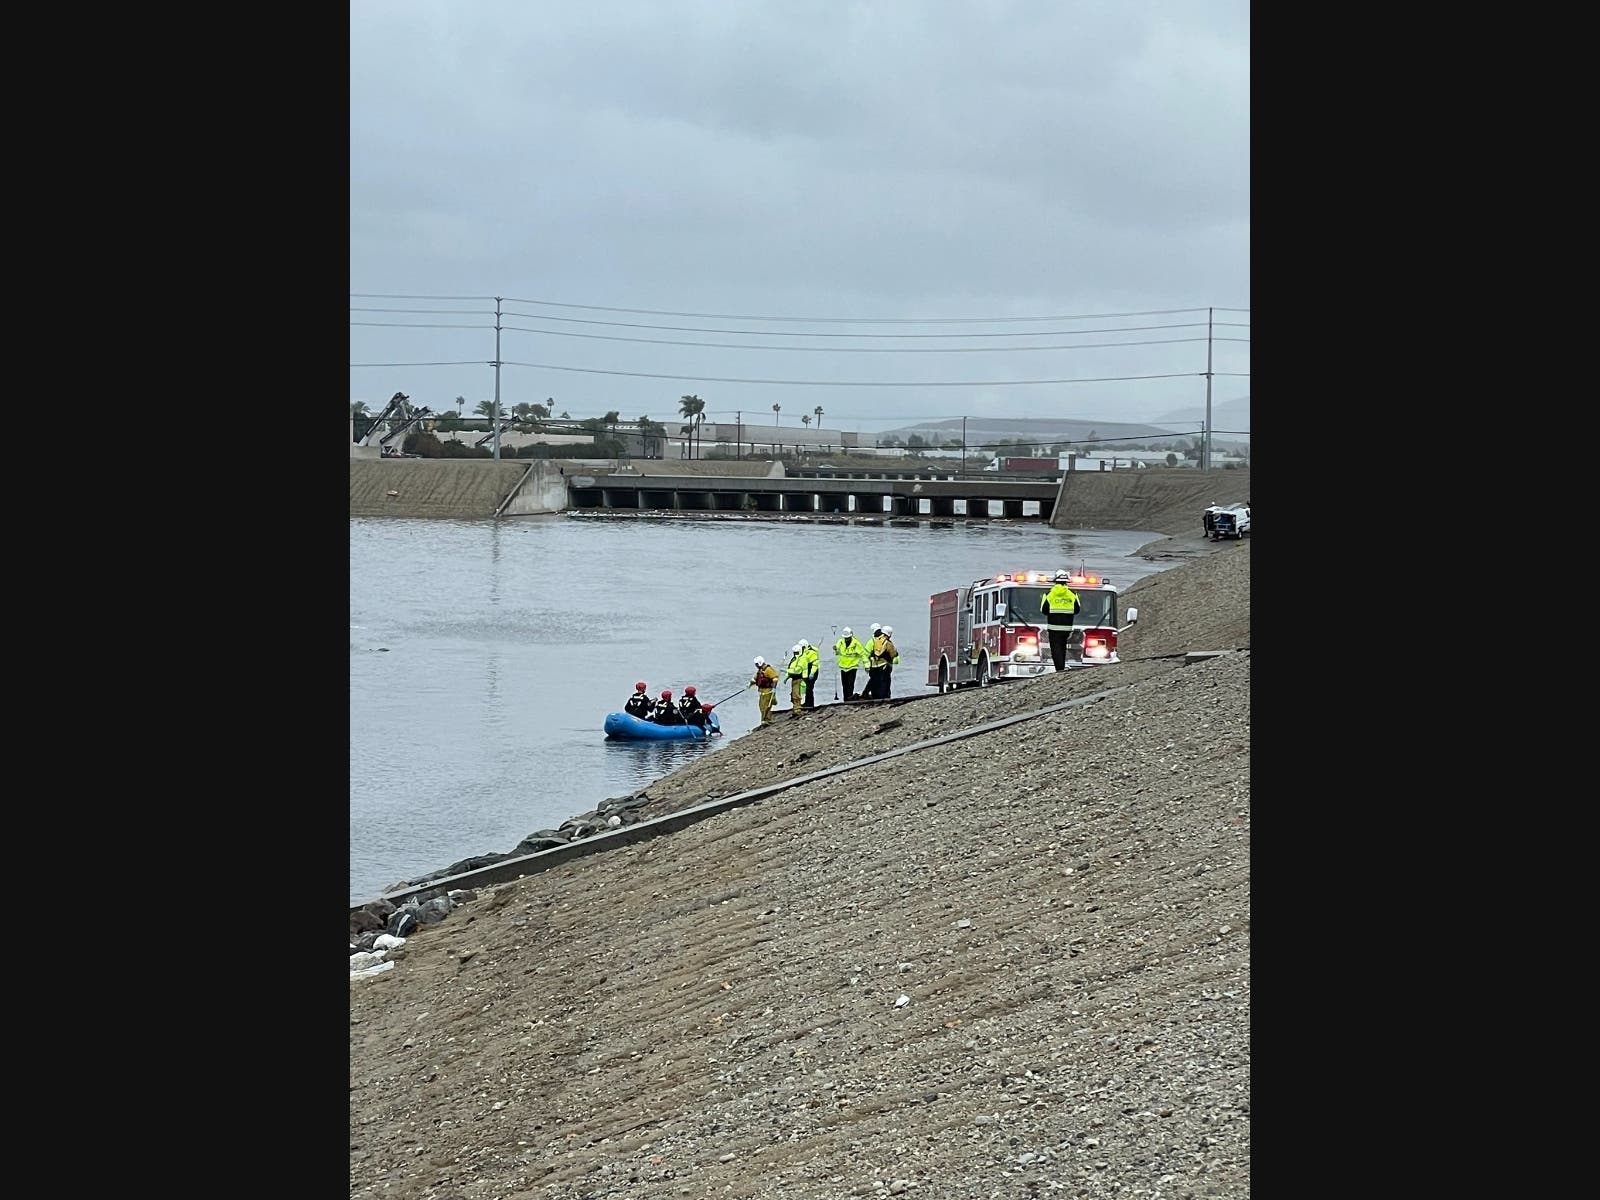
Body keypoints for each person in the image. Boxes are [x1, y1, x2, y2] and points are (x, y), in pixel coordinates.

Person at [1040, 570, 1081, 671]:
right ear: (1066, 581)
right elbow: (1077, 610)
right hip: (1067, 627)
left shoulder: (1049, 594)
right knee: (1062, 646)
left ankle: (1059, 668)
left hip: (1053, 627)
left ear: (1055, 581)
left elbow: (1043, 610)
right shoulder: (1072, 594)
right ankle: (1061, 667)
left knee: (1055, 648)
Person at [834, 626, 867, 700]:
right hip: (843, 667)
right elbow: (837, 652)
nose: (846, 639)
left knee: (850, 684)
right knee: (844, 685)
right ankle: (845, 699)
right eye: (845, 637)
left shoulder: (856, 643)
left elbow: (863, 654)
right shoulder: (840, 642)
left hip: (852, 667)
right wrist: (835, 649)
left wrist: (867, 665)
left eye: (847, 637)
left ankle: (849, 699)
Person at [748, 655, 779, 726]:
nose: (755, 666)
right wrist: (750, 684)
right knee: (761, 706)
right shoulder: (760, 670)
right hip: (761, 691)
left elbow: (775, 679)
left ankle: (765, 720)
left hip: (768, 690)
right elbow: (755, 678)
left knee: (766, 706)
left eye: (756, 664)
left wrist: (774, 689)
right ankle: (765, 719)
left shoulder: (768, 670)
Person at [859, 624, 884, 698]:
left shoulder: (871, 641)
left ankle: (867, 693)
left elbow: (865, 654)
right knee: (880, 681)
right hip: (883, 665)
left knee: (873, 680)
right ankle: (879, 695)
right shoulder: (885, 639)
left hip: (873, 665)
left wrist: (867, 666)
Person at [785, 643, 807, 717]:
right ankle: (795, 709)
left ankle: (797, 710)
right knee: (793, 695)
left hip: (799, 679)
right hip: (794, 679)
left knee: (796, 695)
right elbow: (791, 668)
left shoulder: (801, 659)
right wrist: (787, 677)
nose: (795, 653)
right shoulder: (794, 659)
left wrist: (787, 671)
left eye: (796, 652)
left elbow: (797, 670)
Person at [880, 625, 900, 699]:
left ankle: (878, 696)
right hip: (886, 665)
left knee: (879, 682)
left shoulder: (876, 641)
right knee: (886, 683)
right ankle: (885, 697)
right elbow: (893, 654)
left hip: (877, 666)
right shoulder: (888, 643)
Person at [802, 639, 821, 709]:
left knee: (809, 688)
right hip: (807, 672)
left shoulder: (812, 653)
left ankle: (810, 703)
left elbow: (815, 664)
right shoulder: (804, 652)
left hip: (812, 672)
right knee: (808, 688)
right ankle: (807, 702)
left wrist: (812, 673)